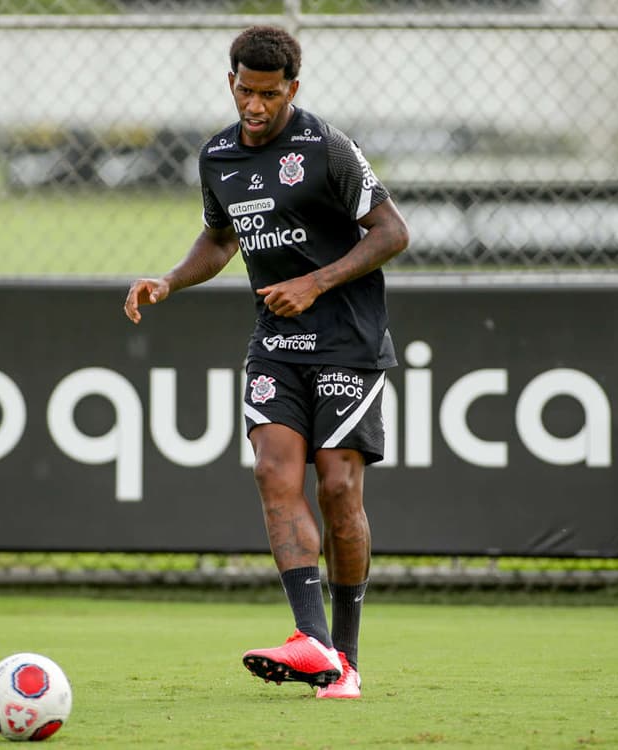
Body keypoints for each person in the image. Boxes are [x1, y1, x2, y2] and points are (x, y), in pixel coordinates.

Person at [123, 24, 409, 700]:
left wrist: (315, 282)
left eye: (270, 94)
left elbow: (394, 232)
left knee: (339, 490)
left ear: (293, 90)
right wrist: (169, 281)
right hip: (275, 347)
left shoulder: (327, 148)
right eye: (245, 91)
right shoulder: (217, 157)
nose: (255, 106)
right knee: (272, 471)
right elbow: (220, 240)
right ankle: (310, 641)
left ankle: (346, 658)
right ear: (231, 82)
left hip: (348, 339)